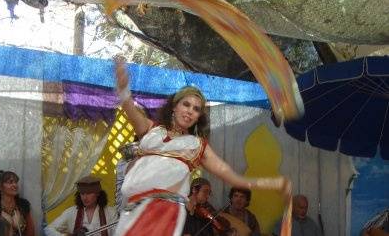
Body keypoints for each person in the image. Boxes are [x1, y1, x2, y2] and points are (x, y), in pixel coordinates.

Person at [113, 60, 291, 236]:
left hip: (163, 215)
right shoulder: (151, 129)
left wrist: (272, 183)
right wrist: (123, 90)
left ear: (199, 117)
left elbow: (234, 177)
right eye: (186, 104)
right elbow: (130, 109)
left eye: (196, 109)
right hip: (131, 212)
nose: (190, 111)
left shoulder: (197, 145)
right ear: (174, 106)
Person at [44, 175, 118, 236]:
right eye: (82, 194)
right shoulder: (71, 212)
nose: (85, 197)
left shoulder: (111, 212)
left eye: (89, 193)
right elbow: (48, 229)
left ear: (98, 194)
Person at [0, 170, 35, 236]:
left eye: (16, 182)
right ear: (0, 186)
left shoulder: (23, 205)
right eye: (10, 182)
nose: (15, 185)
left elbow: (31, 231)